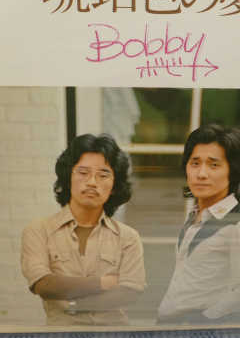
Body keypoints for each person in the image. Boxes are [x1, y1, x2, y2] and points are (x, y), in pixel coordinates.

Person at [21, 133, 146, 325]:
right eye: (83, 172)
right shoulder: (39, 230)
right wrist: (103, 283)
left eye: (103, 175)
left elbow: (129, 292)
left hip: (113, 336)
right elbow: (43, 284)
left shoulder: (128, 237)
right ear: (68, 177)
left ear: (114, 186)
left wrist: (74, 306)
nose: (92, 182)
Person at [157, 124, 240, 324]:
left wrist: (203, 319)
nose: (201, 174)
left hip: (192, 327)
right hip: (167, 322)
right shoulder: (195, 215)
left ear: (233, 171)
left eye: (214, 165)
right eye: (195, 163)